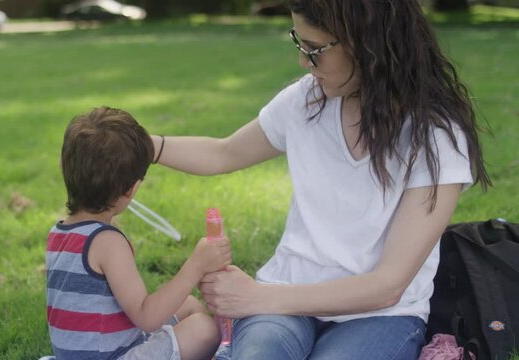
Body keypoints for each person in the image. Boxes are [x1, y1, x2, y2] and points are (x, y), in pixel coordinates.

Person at [149, 0, 491, 359]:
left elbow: (388, 286)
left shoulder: (434, 136)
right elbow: (224, 153)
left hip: (380, 316)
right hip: (284, 297)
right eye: (301, 45)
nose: (303, 62)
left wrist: (256, 297)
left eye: (315, 50)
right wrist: (148, 147)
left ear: (367, 43)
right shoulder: (307, 101)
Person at [46, 106, 230, 360]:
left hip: (92, 349)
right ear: (131, 190)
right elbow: (147, 317)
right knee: (204, 329)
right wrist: (196, 266)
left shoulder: (59, 232)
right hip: (112, 356)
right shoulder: (107, 242)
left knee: (188, 305)